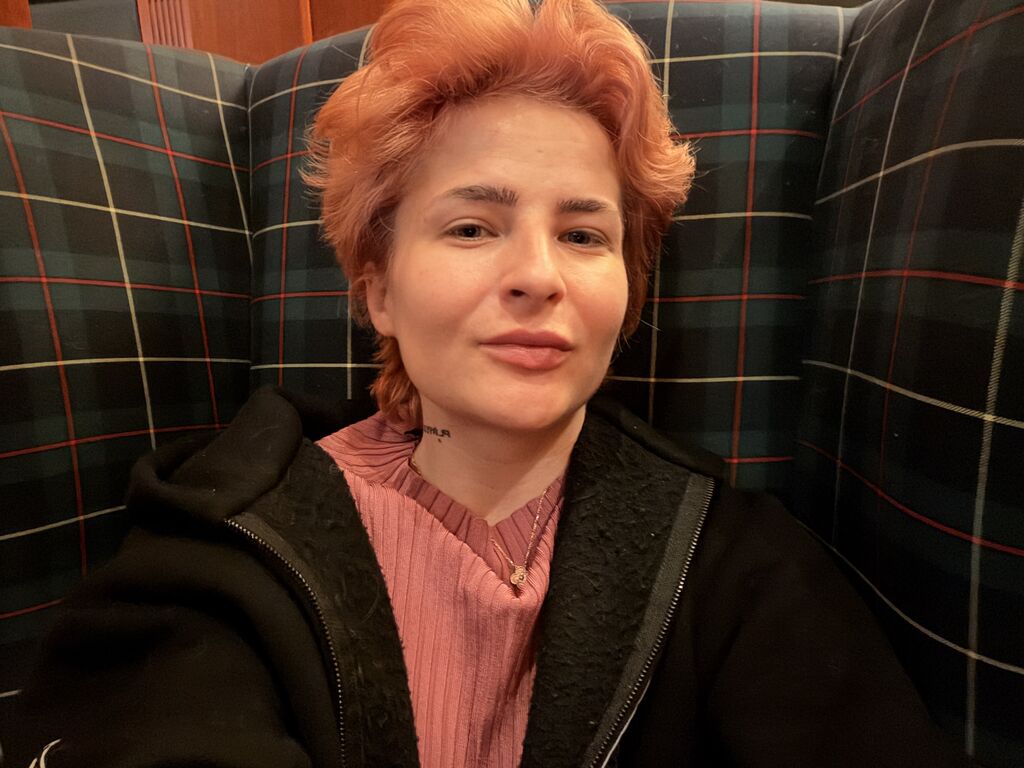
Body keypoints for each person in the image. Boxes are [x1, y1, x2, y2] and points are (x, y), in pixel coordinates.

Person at [9, 0, 973, 766]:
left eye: (584, 234)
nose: (539, 276)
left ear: (627, 292)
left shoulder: (735, 564)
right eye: (472, 227)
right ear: (378, 290)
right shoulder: (221, 541)